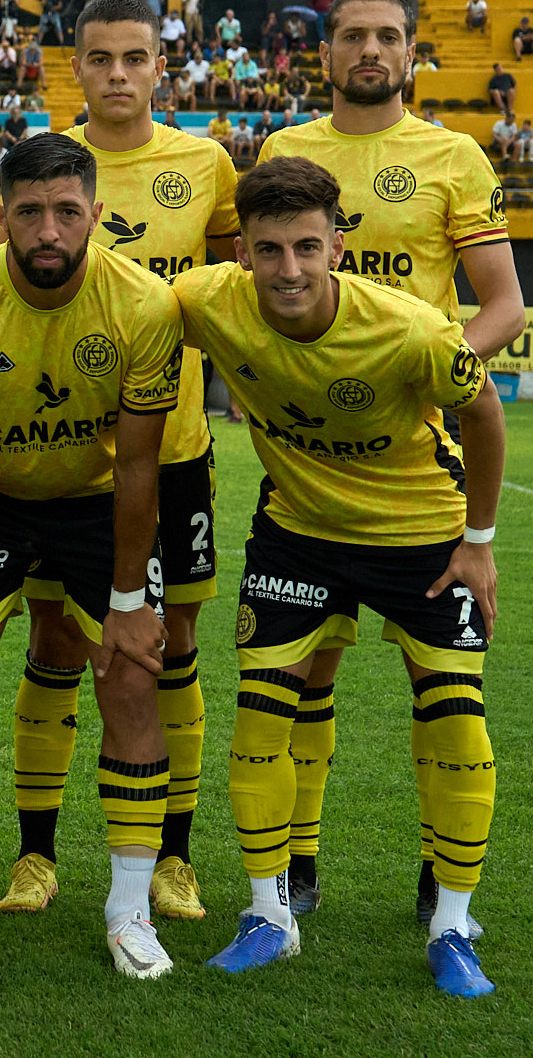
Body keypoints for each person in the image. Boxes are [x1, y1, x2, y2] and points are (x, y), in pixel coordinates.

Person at [177, 156, 504, 999]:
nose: (289, 269)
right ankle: (267, 914)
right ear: (241, 250)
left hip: (422, 535)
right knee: (259, 714)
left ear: (339, 244)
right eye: (270, 249)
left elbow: (485, 414)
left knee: (454, 719)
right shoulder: (207, 299)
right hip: (298, 535)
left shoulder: (412, 328)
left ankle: (451, 925)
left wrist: (479, 541)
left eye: (307, 248)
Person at [258, 0, 525, 919]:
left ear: (411, 54)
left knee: (438, 678)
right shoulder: (284, 152)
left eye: (387, 37)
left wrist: (430, 370)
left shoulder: (453, 155)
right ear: (323, 54)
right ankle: (297, 860)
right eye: (351, 37)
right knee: (304, 670)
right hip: (309, 460)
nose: (369, 51)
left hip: (418, 454)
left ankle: (439, 872)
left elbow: (504, 305)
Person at [0, 0, 239, 925]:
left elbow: (233, 292)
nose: (117, 72)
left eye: (134, 56)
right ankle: (36, 857)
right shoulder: (46, 168)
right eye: (99, 57)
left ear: (162, 64)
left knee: (169, 650)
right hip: (52, 459)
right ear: (72, 67)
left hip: (172, 452)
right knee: (51, 644)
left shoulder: (205, 163)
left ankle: (173, 857)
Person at [0, 133, 183, 975]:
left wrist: (133, 597)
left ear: (99, 214)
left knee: (134, 676)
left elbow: (140, 464)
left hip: (99, 502)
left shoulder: (144, 306)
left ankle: (129, 908)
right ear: (0, 215)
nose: (49, 231)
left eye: (69, 211)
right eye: (29, 211)